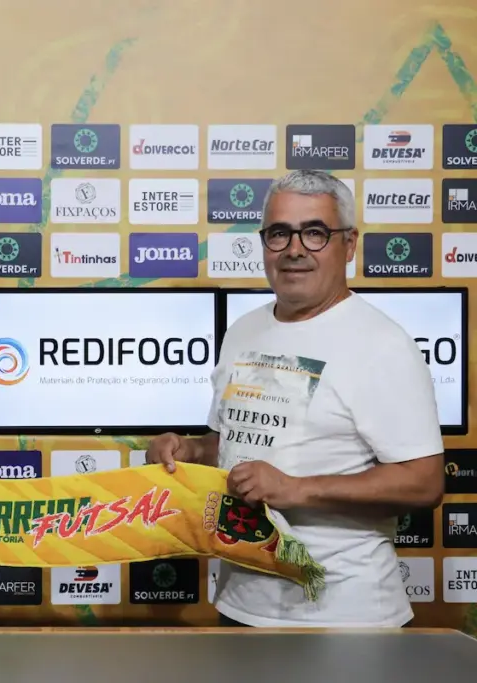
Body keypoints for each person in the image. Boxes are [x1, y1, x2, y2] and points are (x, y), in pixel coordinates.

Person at [146, 169, 444, 628]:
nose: (295, 249)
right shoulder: (245, 330)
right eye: (279, 233)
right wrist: (187, 452)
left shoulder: (383, 344)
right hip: (242, 605)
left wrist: (295, 489)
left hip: (346, 618)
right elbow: (230, 447)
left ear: (349, 245)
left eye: (315, 233)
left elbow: (424, 482)